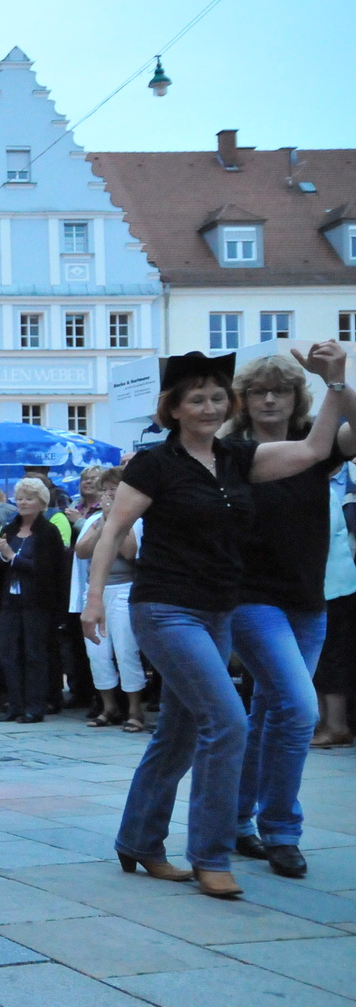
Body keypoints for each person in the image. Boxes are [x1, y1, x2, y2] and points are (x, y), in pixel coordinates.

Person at [85, 345, 351, 899]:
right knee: (229, 721)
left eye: (215, 397)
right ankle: (211, 855)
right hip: (164, 609)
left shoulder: (236, 458)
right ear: (173, 409)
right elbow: (111, 532)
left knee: (179, 735)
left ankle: (138, 839)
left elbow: (316, 447)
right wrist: (92, 602)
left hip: (217, 611)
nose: (208, 407)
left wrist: (334, 381)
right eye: (195, 399)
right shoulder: (156, 463)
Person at [224, 354, 356, 879]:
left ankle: (236, 821)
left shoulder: (313, 445)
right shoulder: (232, 452)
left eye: (280, 391)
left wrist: (339, 380)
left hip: (308, 600)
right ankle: (282, 830)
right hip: (251, 598)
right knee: (299, 708)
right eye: (260, 392)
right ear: (246, 400)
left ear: (296, 398)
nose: (271, 400)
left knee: (271, 710)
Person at [75, 468, 145, 731]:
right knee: (98, 653)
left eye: (113, 488)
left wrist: (116, 519)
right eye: (104, 489)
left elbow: (129, 551)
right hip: (96, 592)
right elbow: (82, 551)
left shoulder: (136, 519)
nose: (108, 493)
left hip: (124, 590)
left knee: (127, 651)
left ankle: (135, 710)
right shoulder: (94, 519)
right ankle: (109, 706)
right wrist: (104, 520)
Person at [0, 478, 65, 724]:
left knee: (35, 655)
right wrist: (3, 558)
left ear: (41, 503)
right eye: (20, 497)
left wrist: (12, 557)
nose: (22, 502)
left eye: (29, 498)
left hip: (38, 602)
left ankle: (35, 706)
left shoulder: (48, 532)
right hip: (9, 602)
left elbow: (49, 570)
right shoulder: (10, 529)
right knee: (8, 654)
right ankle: (14, 704)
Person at [313, 461, 356, 748]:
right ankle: (325, 722)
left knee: (333, 655)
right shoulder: (317, 483)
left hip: (338, 583)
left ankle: (336, 725)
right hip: (324, 582)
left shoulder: (336, 486)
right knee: (324, 655)